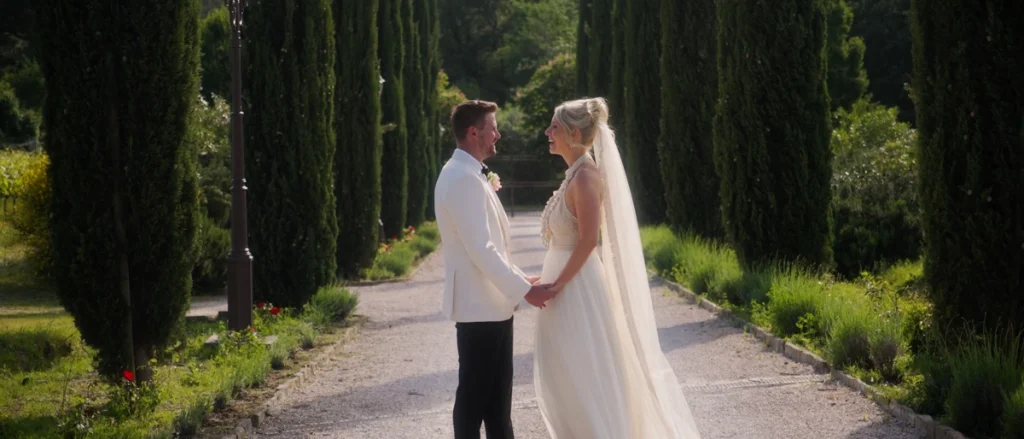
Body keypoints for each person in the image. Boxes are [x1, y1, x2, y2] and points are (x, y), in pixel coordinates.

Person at [533, 97, 703, 438]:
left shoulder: (585, 177)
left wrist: (557, 285)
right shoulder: (573, 175)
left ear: (575, 133)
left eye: (555, 126)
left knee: (585, 369)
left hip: (577, 288)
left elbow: (587, 241)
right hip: (562, 284)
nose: (548, 132)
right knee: (564, 371)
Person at [433, 99, 555, 439]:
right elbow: (481, 250)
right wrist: (525, 290)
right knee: (475, 403)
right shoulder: (462, 179)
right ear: (474, 133)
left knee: (496, 407)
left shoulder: (468, 174)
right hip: (479, 309)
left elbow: (492, 246)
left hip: (491, 306)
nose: (498, 134)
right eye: (493, 128)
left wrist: (521, 278)